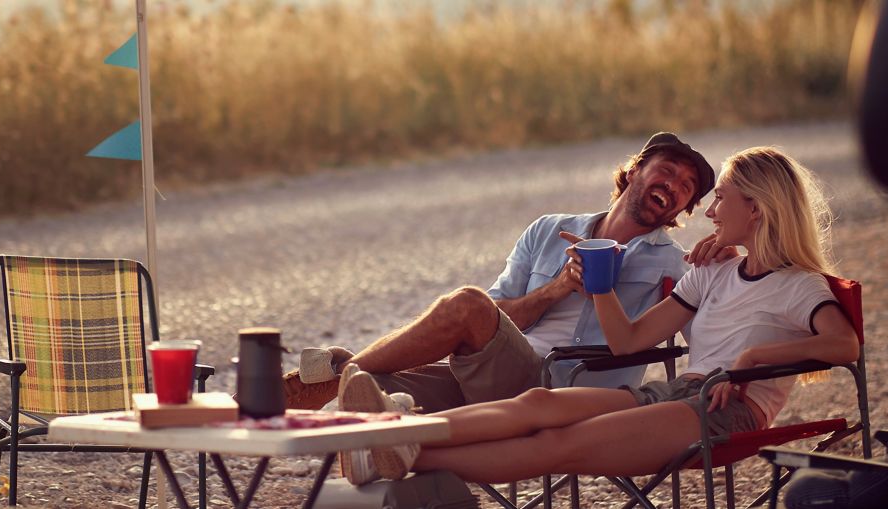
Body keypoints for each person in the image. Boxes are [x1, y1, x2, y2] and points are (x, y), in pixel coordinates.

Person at [337, 146, 861, 484]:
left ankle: (406, 455)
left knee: (558, 445)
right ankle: (387, 436)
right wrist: (600, 280)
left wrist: (751, 359)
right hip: (676, 395)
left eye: (717, 198)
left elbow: (845, 347)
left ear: (757, 209)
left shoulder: (799, 285)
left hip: (728, 409)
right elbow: (630, 342)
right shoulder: (713, 274)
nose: (708, 212)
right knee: (539, 403)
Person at [283, 132, 719, 415]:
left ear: (684, 210)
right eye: (667, 170)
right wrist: (558, 288)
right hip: (497, 375)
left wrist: (727, 251)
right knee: (370, 393)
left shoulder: (677, 264)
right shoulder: (548, 230)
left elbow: (722, 322)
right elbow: (490, 319)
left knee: (464, 304)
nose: (674, 186)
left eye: (686, 189)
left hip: (569, 396)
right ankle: (258, 405)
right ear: (636, 169)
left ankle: (338, 369)